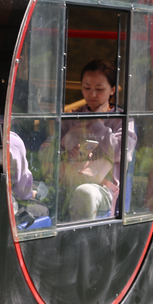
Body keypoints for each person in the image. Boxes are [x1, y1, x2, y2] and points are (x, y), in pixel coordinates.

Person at [59, 60, 136, 221]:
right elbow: (48, 149)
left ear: (112, 90)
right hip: (68, 179)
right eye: (87, 88)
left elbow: (120, 153)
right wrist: (69, 153)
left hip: (101, 188)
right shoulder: (72, 117)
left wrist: (96, 122)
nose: (92, 94)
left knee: (85, 193)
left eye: (99, 89)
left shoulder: (121, 120)